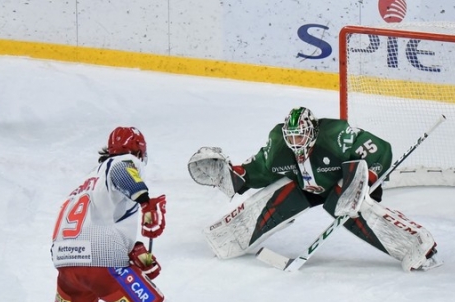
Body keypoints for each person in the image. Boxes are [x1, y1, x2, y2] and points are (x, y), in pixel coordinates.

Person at [11, 126, 233, 302]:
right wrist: (146, 201)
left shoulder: (86, 183)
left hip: (68, 267)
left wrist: (134, 252)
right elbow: (122, 172)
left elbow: (99, 225)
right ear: (139, 152)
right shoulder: (122, 163)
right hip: (103, 266)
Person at [188, 106, 439, 271]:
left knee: (343, 204)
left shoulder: (336, 135)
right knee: (282, 193)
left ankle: (417, 244)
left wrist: (366, 181)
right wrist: (235, 174)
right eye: (292, 137)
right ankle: (230, 238)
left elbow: (379, 148)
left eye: (301, 136)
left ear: (313, 131)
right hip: (307, 187)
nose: (295, 142)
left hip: (345, 183)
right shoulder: (278, 146)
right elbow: (260, 170)